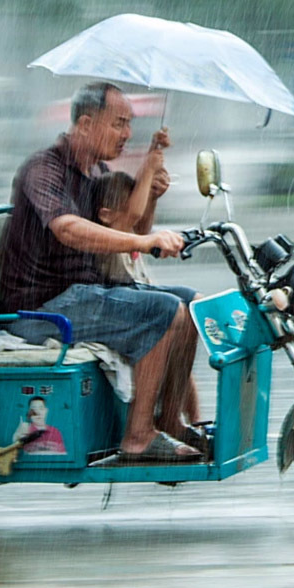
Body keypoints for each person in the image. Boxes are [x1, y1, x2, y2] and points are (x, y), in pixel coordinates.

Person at [0, 81, 202, 462]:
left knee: (190, 305)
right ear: (87, 124)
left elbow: (131, 231)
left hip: (85, 295)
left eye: (129, 124)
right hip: (42, 308)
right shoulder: (44, 169)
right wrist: (144, 242)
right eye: (118, 123)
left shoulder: (97, 173)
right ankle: (138, 435)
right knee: (162, 311)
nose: (127, 134)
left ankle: (170, 420)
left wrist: (151, 193)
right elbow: (67, 228)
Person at [90, 169, 203, 431]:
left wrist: (151, 194)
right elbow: (135, 217)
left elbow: (139, 220)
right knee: (171, 314)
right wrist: (150, 161)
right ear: (106, 214)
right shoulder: (107, 240)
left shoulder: (130, 231)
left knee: (191, 314)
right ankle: (155, 425)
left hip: (139, 296)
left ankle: (192, 421)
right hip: (123, 308)